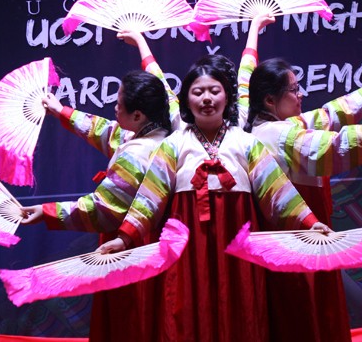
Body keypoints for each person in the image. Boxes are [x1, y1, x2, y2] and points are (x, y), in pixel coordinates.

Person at [99, 54, 331, 342]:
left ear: (227, 97)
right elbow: (149, 199)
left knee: (242, 312)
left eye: (214, 90)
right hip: (187, 251)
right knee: (185, 314)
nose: (206, 98)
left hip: (239, 249)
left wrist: (310, 222)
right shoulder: (174, 145)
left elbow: (278, 191)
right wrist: (124, 238)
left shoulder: (247, 143)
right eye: (198, 92)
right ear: (186, 100)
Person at [239, 14, 362, 341]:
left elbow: (325, 114)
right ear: (270, 100)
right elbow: (335, 146)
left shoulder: (254, 123)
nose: (301, 95)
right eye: (294, 90)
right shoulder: (281, 137)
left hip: (279, 245)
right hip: (297, 245)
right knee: (306, 322)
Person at [18, 32, 175, 342]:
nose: (113, 109)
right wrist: (60, 110)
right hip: (158, 243)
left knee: (134, 323)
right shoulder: (157, 133)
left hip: (135, 246)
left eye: (118, 104)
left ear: (138, 115)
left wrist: (45, 212)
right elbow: (104, 130)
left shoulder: (137, 154)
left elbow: (100, 209)